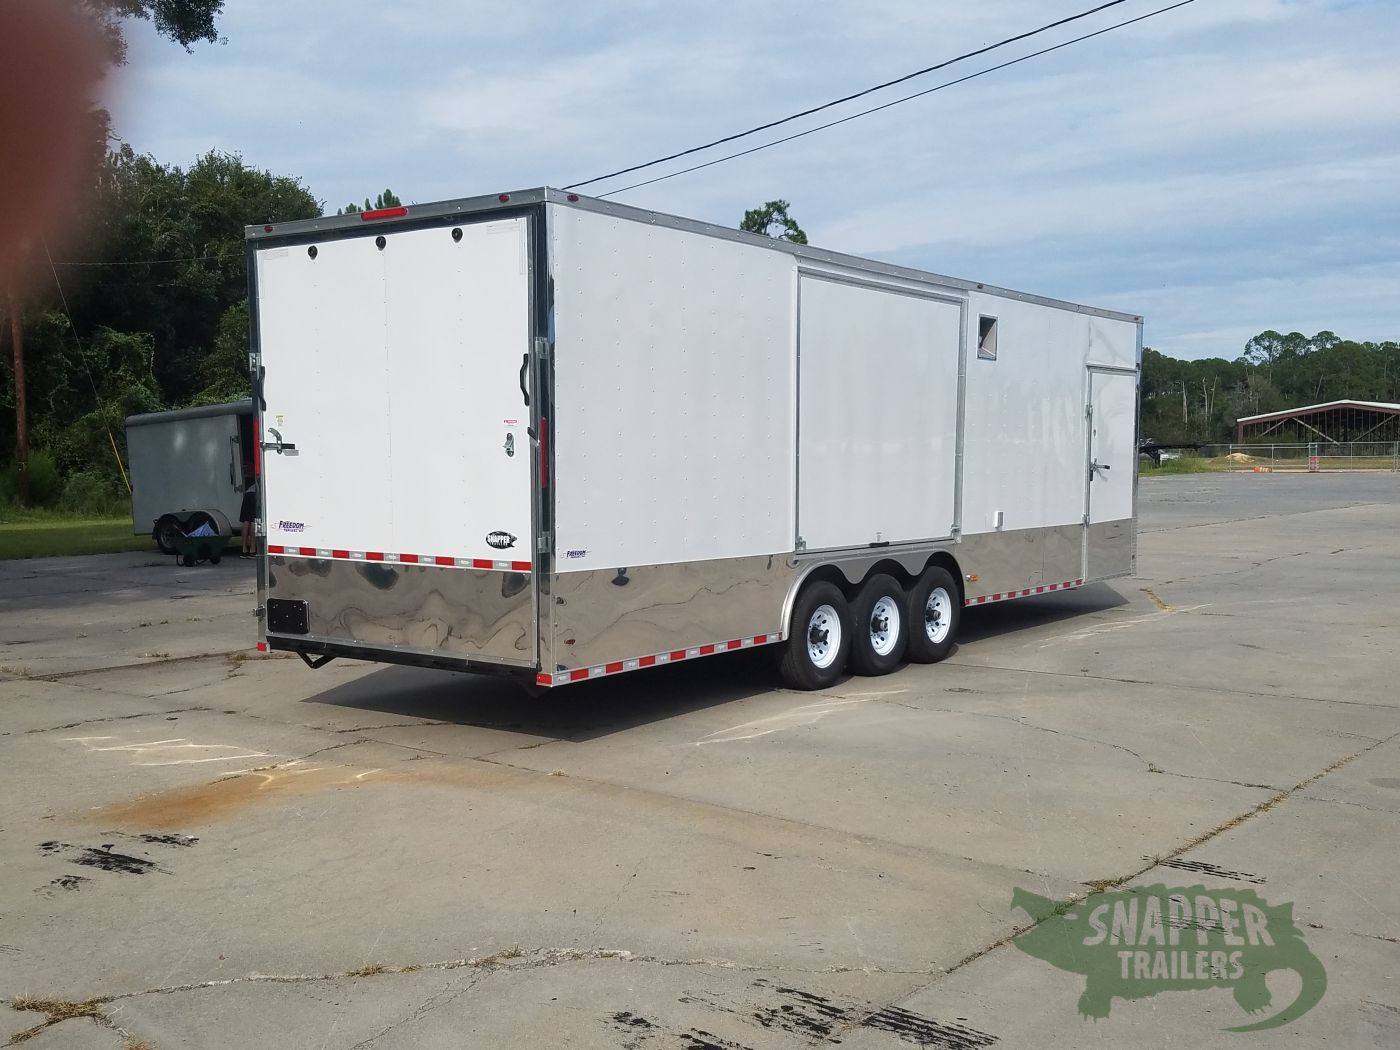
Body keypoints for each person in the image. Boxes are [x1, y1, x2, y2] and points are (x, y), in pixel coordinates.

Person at [239, 472, 258, 559]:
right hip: (255, 494)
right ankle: (252, 550)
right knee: (254, 520)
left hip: (248, 493)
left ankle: (244, 550)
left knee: (246, 521)